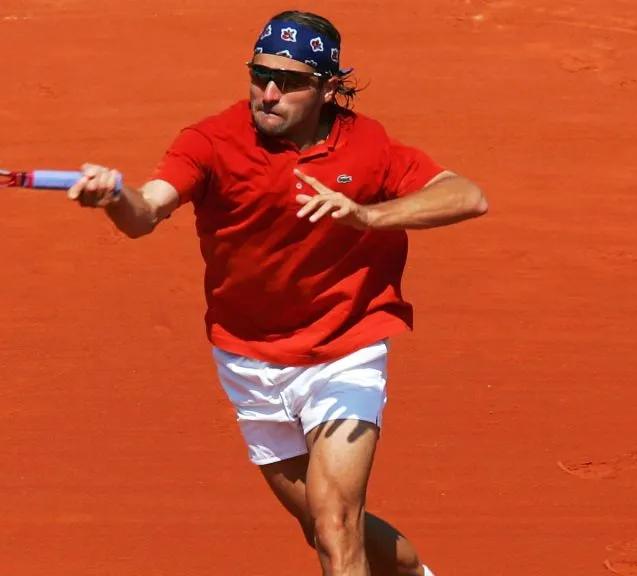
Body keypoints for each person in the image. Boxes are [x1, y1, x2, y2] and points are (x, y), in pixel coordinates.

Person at [66, 9, 487, 576]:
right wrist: (116, 197)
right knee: (322, 525)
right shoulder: (210, 141)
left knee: (336, 525)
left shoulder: (368, 145)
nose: (268, 94)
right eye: (260, 75)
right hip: (250, 360)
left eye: (288, 82)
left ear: (328, 88)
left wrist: (368, 216)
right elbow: (147, 211)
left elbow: (466, 195)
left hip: (345, 349)